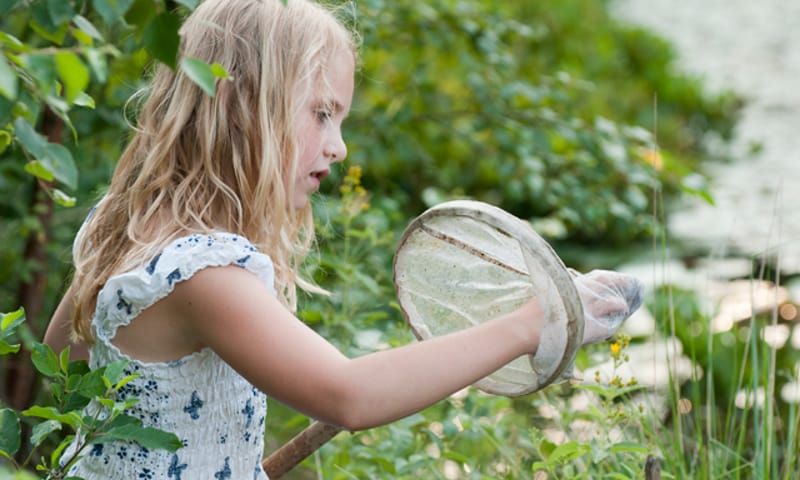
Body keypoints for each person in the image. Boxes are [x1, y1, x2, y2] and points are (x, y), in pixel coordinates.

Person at [43, 0, 643, 477]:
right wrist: (527, 325)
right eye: (321, 113)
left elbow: (61, 362)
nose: (339, 145)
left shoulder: (123, 225)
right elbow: (349, 395)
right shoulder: (202, 274)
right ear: (243, 107)